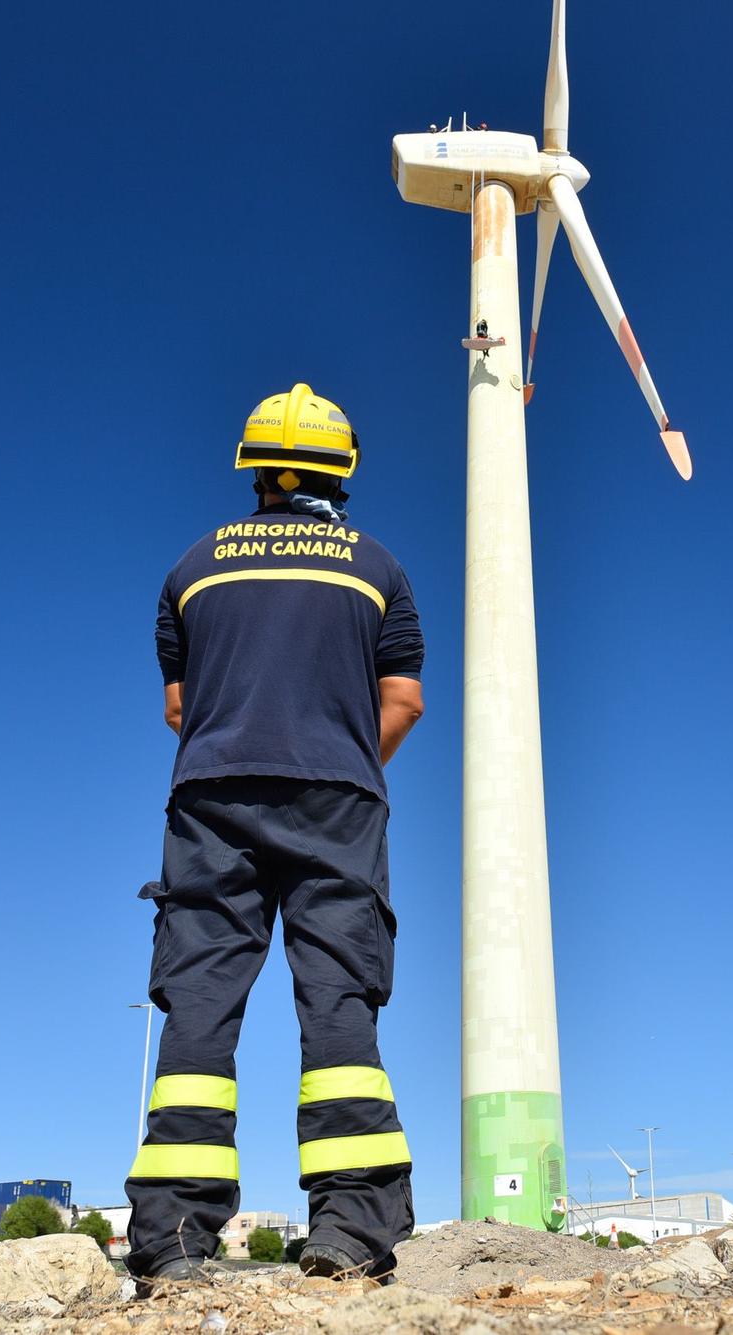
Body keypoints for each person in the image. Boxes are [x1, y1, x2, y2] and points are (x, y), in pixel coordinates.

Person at [125, 383, 426, 1292]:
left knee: (200, 1005)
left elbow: (181, 705)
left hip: (212, 793)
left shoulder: (196, 565)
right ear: (343, 470)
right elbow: (403, 699)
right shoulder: (376, 567)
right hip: (339, 795)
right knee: (338, 996)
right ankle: (349, 1227)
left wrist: (243, 747)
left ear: (253, 469)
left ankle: (174, 1238)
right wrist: (336, 757)